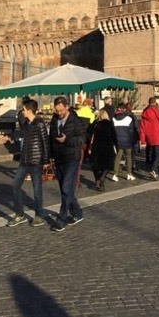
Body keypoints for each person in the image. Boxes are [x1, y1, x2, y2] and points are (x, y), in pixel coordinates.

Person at [7, 98, 50, 227]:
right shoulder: (26, 124)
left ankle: (39, 215)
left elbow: (45, 142)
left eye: (24, 109)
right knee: (15, 185)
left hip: (36, 161)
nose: (22, 111)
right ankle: (20, 214)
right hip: (24, 160)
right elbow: (20, 120)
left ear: (30, 110)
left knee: (37, 190)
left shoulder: (39, 123)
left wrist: (46, 161)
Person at [49, 96, 86, 232]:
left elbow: (82, 139)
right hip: (59, 158)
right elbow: (51, 139)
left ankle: (62, 219)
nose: (59, 113)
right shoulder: (54, 120)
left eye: (61, 110)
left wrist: (66, 140)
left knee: (66, 189)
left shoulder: (76, 121)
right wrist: (49, 157)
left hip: (72, 159)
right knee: (66, 189)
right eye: (57, 110)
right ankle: (77, 213)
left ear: (67, 107)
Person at [139, 97, 159, 179]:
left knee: (153, 154)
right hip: (158, 137)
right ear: (155, 103)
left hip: (149, 137)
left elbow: (142, 128)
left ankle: (155, 170)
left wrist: (143, 140)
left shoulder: (144, 113)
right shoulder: (157, 112)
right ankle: (154, 169)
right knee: (158, 155)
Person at [88, 109, 117, 191]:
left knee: (96, 165)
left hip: (96, 147)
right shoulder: (109, 124)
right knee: (107, 165)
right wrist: (116, 146)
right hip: (107, 147)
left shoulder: (95, 124)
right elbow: (114, 136)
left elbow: (89, 134)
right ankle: (101, 179)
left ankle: (99, 182)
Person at [111, 103, 138, 181]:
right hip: (127, 141)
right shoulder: (128, 119)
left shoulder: (113, 118)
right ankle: (129, 174)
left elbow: (112, 131)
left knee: (118, 157)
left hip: (118, 141)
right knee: (128, 157)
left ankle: (115, 174)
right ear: (124, 109)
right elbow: (131, 131)